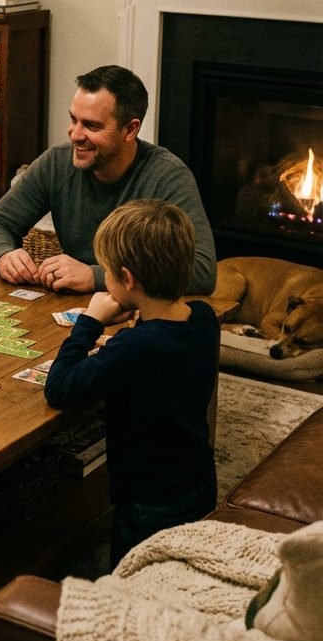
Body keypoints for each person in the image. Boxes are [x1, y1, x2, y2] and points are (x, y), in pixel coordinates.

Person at [44, 199, 219, 568]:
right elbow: (162, 349)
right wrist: (139, 314)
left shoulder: (134, 346)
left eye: (106, 272)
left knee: (132, 580)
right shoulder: (205, 319)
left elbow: (59, 388)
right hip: (198, 484)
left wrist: (90, 321)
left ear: (127, 279)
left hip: (145, 504)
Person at [0, 63, 217, 295]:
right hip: (73, 306)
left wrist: (96, 276)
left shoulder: (168, 176)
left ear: (130, 130)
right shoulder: (56, 163)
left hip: (139, 312)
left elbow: (202, 271)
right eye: (73, 119)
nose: (75, 135)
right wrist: (3, 255)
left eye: (92, 126)